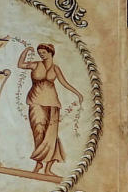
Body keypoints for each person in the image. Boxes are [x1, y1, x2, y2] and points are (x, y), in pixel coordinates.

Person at [19, 43, 82, 176]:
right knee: (38, 131)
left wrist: (78, 93)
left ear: (51, 53)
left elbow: (64, 83)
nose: (41, 54)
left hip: (52, 103)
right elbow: (20, 65)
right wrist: (26, 51)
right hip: (35, 101)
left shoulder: (55, 68)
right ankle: (38, 163)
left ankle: (48, 168)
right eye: (39, 52)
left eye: (43, 52)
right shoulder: (35, 64)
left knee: (51, 136)